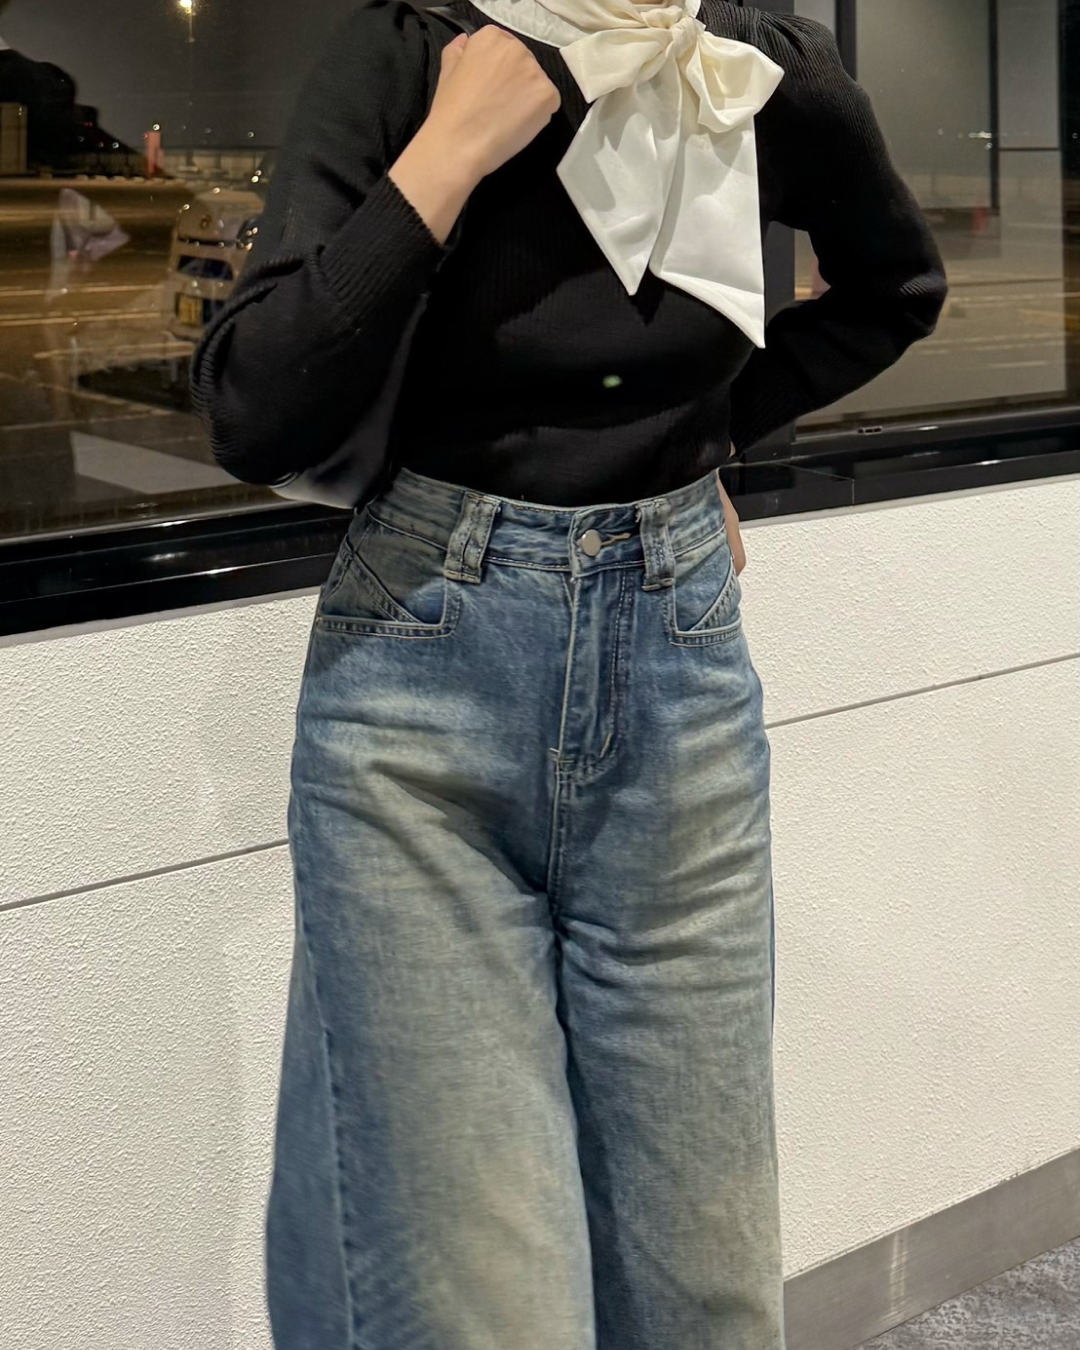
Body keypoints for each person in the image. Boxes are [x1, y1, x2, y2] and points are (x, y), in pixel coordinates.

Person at [191, 1, 947, 1346]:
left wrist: (704, 438)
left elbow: (894, 291)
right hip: (421, 693)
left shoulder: (753, 69)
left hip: (677, 682)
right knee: (477, 1293)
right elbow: (255, 404)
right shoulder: (417, 49)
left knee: (704, 1283)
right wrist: (448, 154)